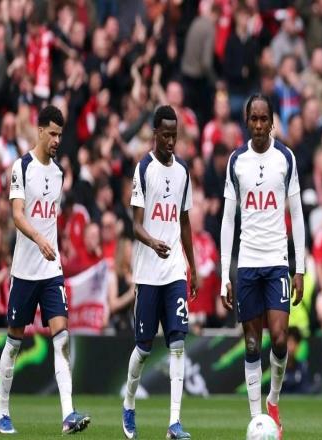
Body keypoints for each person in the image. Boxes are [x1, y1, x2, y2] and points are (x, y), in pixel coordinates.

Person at [0, 106, 90, 435]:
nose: (56, 140)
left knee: (61, 336)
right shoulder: (21, 167)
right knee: (14, 341)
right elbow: (17, 215)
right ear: (39, 131)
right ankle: (2, 412)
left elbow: (50, 219)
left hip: (51, 270)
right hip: (24, 271)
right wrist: (38, 240)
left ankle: (68, 414)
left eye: (60, 135)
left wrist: (54, 246)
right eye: (52, 133)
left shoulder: (59, 173)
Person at [220, 94, 305, 439]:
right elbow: (228, 220)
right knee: (253, 345)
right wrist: (225, 273)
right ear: (247, 122)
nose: (258, 125)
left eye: (263, 119)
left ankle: (273, 401)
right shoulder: (236, 161)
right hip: (248, 264)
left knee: (280, 340)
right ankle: (257, 419)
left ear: (271, 122)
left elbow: (297, 213)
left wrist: (300, 268)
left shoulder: (285, 158)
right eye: (253, 119)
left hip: (277, 262)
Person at [122, 105, 198, 440]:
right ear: (155, 133)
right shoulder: (144, 169)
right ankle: (129, 403)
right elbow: (136, 225)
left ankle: (174, 422)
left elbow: (185, 222)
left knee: (178, 343)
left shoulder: (183, 171)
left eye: (174, 135)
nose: (170, 141)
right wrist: (153, 243)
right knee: (143, 348)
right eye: (165, 135)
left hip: (174, 270)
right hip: (148, 272)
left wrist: (192, 266)